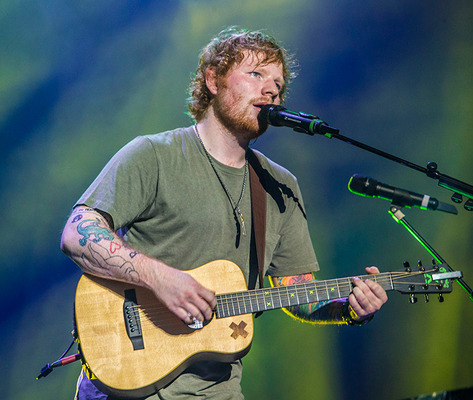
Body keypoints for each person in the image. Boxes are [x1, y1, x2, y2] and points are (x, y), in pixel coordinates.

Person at [60, 26, 388, 400]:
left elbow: (300, 295)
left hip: (219, 391)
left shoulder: (280, 187)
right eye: (256, 74)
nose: (271, 90)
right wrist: (162, 280)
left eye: (278, 84)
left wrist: (348, 307)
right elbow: (77, 233)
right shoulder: (153, 155)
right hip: (127, 381)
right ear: (213, 80)